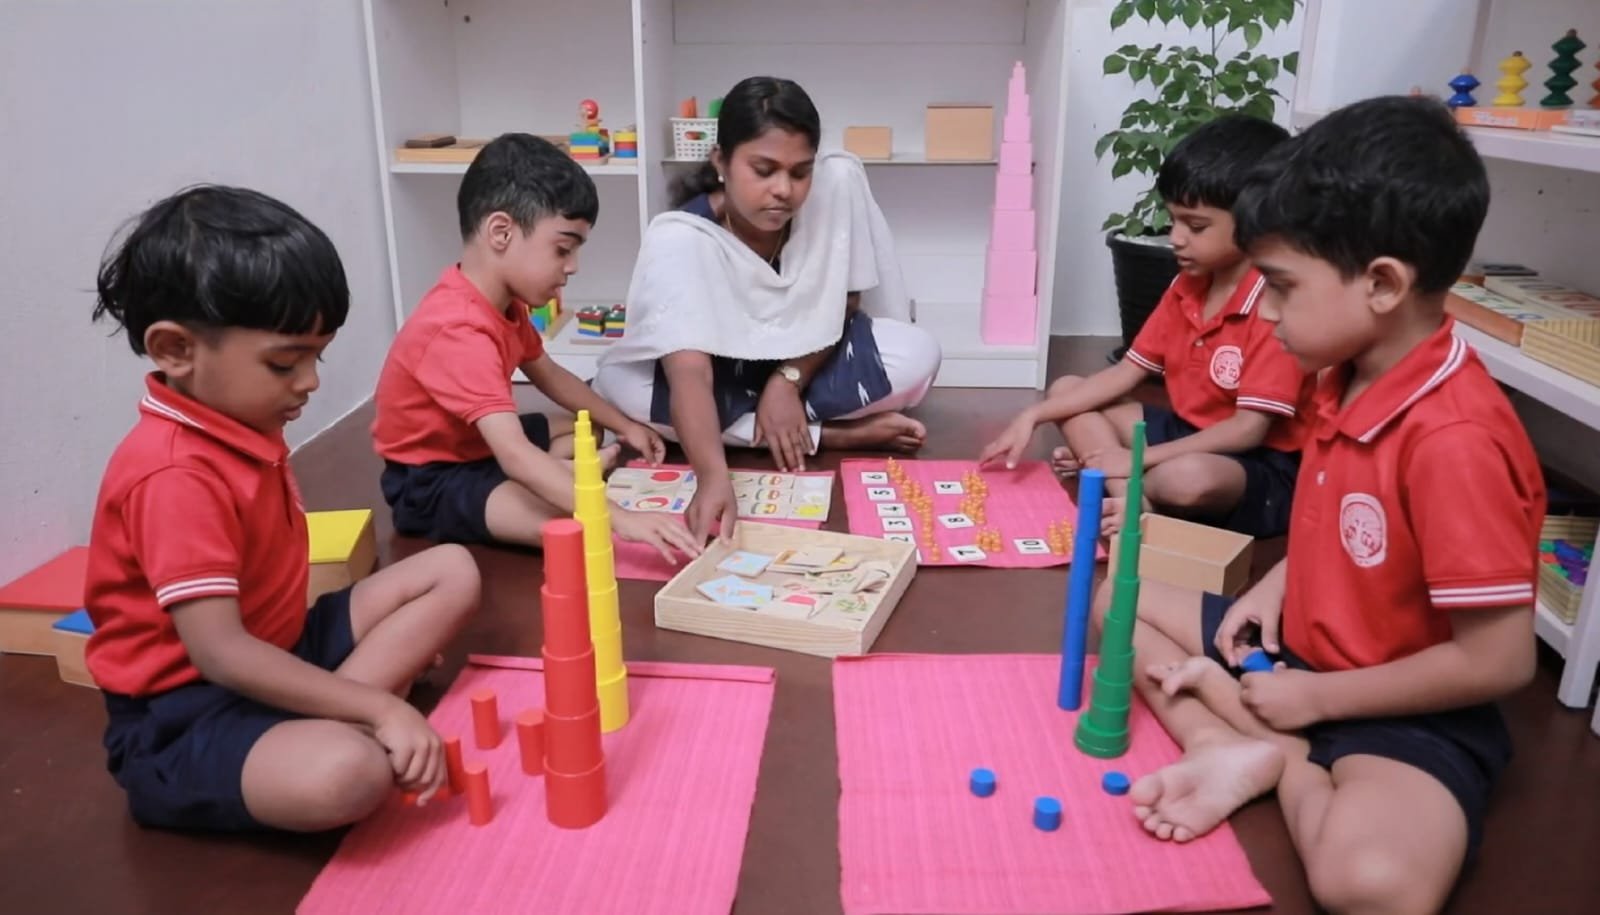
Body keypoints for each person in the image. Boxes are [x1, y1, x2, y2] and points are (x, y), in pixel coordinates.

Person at [1106, 96, 1543, 915]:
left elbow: (1499, 661)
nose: (1266, 312)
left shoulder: (1455, 439)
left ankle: (1279, 756)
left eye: (1281, 286)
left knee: (1369, 884)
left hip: (1399, 703)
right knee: (1115, 605)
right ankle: (1224, 743)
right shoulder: (1342, 370)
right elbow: (1329, 522)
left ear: (1382, 283)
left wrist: (1318, 703)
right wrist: (1274, 590)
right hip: (1294, 654)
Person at [84, 185, 482, 833]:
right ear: (175, 350)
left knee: (452, 569)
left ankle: (328, 714)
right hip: (187, 714)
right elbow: (221, 654)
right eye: (284, 363)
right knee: (349, 774)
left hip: (283, 646)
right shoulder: (173, 473)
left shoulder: (237, 415)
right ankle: (344, 719)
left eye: (315, 356)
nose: (311, 381)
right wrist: (381, 707)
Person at [592, 77, 943, 543]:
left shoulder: (833, 187)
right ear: (721, 161)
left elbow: (845, 302)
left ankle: (775, 419)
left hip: (810, 358)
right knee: (620, 386)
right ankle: (823, 435)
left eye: (800, 173)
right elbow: (690, 371)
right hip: (723, 376)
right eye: (764, 170)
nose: (784, 190)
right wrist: (713, 477)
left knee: (919, 353)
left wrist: (787, 381)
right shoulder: (682, 236)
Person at [371, 133, 700, 562]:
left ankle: (553, 473)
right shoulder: (458, 329)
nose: (573, 267)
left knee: (582, 427)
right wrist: (621, 517)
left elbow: (551, 375)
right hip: (434, 479)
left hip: (479, 445)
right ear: (501, 232)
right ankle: (549, 477)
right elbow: (512, 453)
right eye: (563, 249)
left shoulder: (502, 303)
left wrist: (625, 425)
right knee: (573, 530)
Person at [980, 115, 1308, 537]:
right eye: (1174, 220)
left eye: (1196, 226)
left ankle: (1125, 481)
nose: (1176, 238)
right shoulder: (1187, 286)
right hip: (1188, 431)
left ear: (1256, 221)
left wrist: (1135, 458)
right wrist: (1033, 415)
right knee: (1066, 390)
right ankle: (1131, 497)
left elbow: (1247, 430)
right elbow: (1127, 372)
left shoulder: (1273, 305)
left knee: (1185, 479)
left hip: (1258, 462)